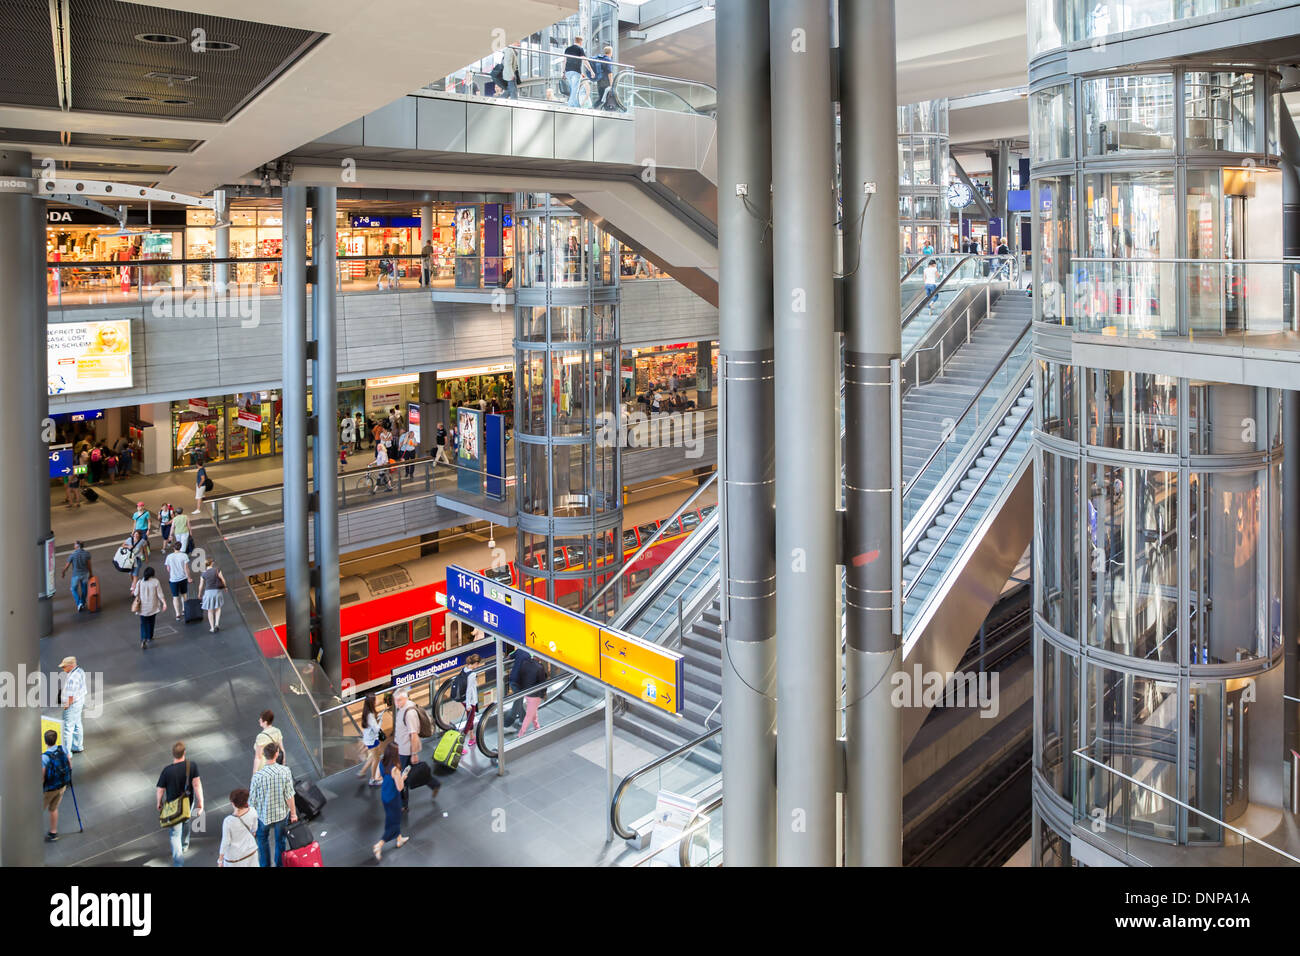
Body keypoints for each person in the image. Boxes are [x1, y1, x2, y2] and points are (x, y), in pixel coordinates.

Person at [248, 741, 296, 867]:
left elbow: (252, 802)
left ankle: (265, 865)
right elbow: (289, 795)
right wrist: (293, 814)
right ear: (277, 754)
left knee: (262, 840)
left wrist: (251, 824)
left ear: (264, 755)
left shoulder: (257, 777)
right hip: (281, 814)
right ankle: (279, 864)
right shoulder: (285, 771)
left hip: (263, 816)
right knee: (280, 841)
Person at [155, 741, 203, 867]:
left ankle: (178, 863)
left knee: (174, 835)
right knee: (186, 822)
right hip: (188, 802)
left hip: (173, 807)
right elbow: (197, 785)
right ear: (184, 753)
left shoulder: (167, 771)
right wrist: (201, 802)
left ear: (173, 754)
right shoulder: (191, 766)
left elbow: (160, 789)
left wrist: (159, 802)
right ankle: (185, 845)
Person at [373, 744, 410, 860]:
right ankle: (379, 845)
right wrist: (403, 777)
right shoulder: (395, 769)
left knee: (393, 818)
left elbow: (376, 777)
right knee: (393, 822)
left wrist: (387, 779)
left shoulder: (382, 763)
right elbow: (400, 787)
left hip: (385, 796)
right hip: (394, 797)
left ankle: (399, 839)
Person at [392, 687, 422, 811]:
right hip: (401, 749)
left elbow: (413, 735)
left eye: (399, 700)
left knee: (403, 778)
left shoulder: (409, 713)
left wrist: (414, 753)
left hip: (406, 751)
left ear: (405, 698)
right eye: (395, 700)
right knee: (403, 775)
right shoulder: (402, 709)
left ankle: (403, 804)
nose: (396, 703)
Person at [42, 728, 71, 842]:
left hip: (49, 789)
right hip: (62, 785)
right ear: (56, 740)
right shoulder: (63, 749)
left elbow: (42, 776)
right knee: (53, 809)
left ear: (45, 742)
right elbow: (70, 764)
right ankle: (53, 832)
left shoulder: (44, 757)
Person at [217, 788, 259, 868]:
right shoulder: (253, 811)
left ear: (233, 803)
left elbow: (226, 841)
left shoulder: (228, 821)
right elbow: (254, 829)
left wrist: (220, 859)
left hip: (234, 858)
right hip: (251, 851)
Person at [452, 654, 481, 752]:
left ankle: (472, 738)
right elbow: (469, 690)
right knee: (468, 723)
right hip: (470, 701)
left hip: (463, 700)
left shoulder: (464, 669)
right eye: (478, 664)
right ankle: (459, 746)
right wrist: (469, 705)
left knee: (470, 718)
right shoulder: (472, 675)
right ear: (475, 663)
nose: (478, 666)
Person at [59, 656, 87, 755]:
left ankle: (67, 753)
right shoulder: (80, 671)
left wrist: (66, 706)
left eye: (64, 667)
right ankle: (78, 746)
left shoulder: (72, 678)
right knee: (77, 724)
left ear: (71, 665)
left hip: (72, 705)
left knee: (67, 728)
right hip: (80, 702)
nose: (63, 669)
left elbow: (71, 696)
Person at [134, 566, 167, 649]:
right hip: (153, 606)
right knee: (151, 622)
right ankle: (150, 636)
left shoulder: (140, 582)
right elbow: (160, 594)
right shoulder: (156, 582)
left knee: (143, 624)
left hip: (142, 608)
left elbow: (135, 593)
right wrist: (164, 603)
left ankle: (143, 638)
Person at [517, 654, 547, 738]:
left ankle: (537, 726)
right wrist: (544, 693)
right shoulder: (540, 667)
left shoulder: (525, 663)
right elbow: (542, 682)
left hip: (526, 691)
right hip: (535, 694)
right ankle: (521, 733)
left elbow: (521, 675)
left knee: (533, 710)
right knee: (529, 714)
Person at [357, 692, 384, 786]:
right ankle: (373, 779)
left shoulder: (367, 712)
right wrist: (381, 720)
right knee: (376, 759)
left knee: (374, 756)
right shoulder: (370, 716)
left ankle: (362, 772)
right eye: (375, 700)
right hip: (372, 741)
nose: (376, 701)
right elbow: (376, 729)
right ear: (372, 702)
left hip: (370, 739)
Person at [61, 540, 92, 612]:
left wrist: (63, 572)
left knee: (73, 589)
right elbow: (89, 565)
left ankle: (79, 603)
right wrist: (91, 574)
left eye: (74, 545)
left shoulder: (72, 555)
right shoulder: (87, 554)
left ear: (77, 546)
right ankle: (83, 602)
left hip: (76, 575)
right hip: (85, 574)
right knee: (84, 589)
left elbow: (67, 566)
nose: (73, 546)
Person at [164, 540, 191, 621]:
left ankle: (177, 614)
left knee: (175, 597)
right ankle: (184, 609)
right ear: (181, 547)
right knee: (184, 595)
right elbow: (186, 568)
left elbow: (168, 569)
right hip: (183, 578)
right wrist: (189, 577)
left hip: (173, 580)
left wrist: (173, 572)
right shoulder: (184, 555)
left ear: (173, 548)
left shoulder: (169, 557)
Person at [563, 36, 593, 108]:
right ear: (581, 42)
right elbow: (585, 61)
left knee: (573, 89)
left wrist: (563, 72)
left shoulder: (567, 49)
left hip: (568, 72)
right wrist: (591, 71)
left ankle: (576, 105)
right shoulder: (580, 49)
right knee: (575, 90)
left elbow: (564, 61)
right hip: (576, 71)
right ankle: (570, 105)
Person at [253, 710, 286, 775]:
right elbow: (282, 749)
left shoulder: (261, 737)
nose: (259, 720)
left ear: (265, 722)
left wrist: (254, 773)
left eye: (260, 719)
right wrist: (283, 762)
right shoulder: (277, 731)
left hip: (265, 767)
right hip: (276, 764)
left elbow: (258, 757)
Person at [198, 558, 227, 633]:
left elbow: (201, 585)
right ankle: (217, 624)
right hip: (217, 591)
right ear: (212, 563)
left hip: (208, 593)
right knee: (218, 608)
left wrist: (199, 594)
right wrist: (225, 587)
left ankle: (212, 627)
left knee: (210, 610)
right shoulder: (217, 570)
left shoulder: (203, 573)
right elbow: (223, 580)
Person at [123, 529, 149, 594]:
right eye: (135, 534)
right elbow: (123, 545)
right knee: (131, 574)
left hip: (138, 559)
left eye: (138, 534)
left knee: (135, 574)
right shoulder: (129, 539)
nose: (136, 535)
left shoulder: (143, 541)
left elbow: (145, 550)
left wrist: (146, 558)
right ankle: (135, 584)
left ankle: (133, 589)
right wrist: (128, 546)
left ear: (140, 535)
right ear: (133, 534)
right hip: (130, 559)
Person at [593, 45, 615, 109]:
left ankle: (595, 108)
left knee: (601, 97)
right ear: (610, 52)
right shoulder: (608, 60)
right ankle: (593, 108)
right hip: (606, 81)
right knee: (607, 97)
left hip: (599, 80)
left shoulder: (600, 59)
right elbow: (609, 73)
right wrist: (611, 84)